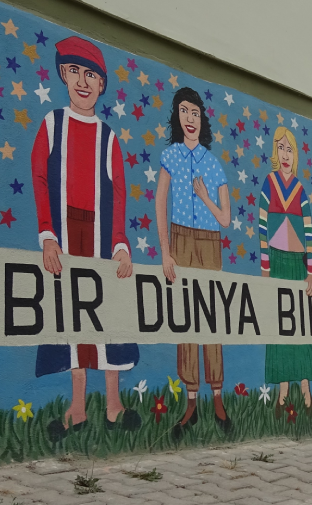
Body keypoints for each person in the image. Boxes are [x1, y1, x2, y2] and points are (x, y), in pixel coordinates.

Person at [31, 36, 140, 442]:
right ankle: (77, 408)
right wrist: (47, 236)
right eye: (75, 71)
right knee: (71, 317)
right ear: (63, 74)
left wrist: (119, 245)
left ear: (102, 84)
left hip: (100, 236)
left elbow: (119, 193)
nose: (83, 81)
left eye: (91, 74)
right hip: (65, 236)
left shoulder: (108, 137)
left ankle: (113, 404)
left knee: (107, 317)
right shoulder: (51, 124)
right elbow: (40, 179)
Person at [156, 86, 232, 438]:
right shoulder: (170, 156)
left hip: (209, 242)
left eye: (196, 113)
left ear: (203, 120)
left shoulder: (213, 163)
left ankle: (217, 396)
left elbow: (226, 218)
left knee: (211, 320)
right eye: (184, 111)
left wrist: (205, 197)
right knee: (186, 321)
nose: (190, 119)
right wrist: (165, 251)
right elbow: (160, 202)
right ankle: (191, 402)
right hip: (181, 238)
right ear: (177, 117)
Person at [259, 126, 312, 418]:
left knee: (301, 326)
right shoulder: (269, 184)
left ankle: (306, 389)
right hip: (277, 261)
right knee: (279, 326)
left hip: (297, 264)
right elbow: (261, 227)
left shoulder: (300, 190)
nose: (285, 154)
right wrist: (266, 269)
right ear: (275, 152)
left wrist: (310, 273)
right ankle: (282, 393)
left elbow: (309, 234)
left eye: (290, 148)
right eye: (280, 147)